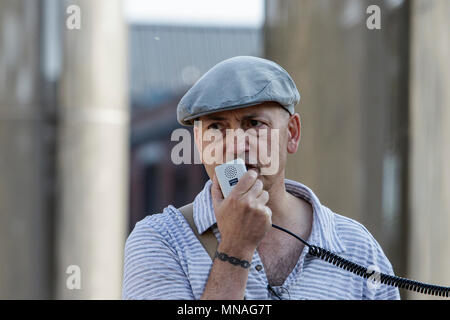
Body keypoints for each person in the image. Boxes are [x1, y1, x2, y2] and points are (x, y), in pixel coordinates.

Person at [122, 56, 400, 300]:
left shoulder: (356, 247)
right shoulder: (160, 242)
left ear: (291, 133)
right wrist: (235, 248)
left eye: (255, 124)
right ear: (198, 141)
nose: (235, 146)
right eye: (217, 127)